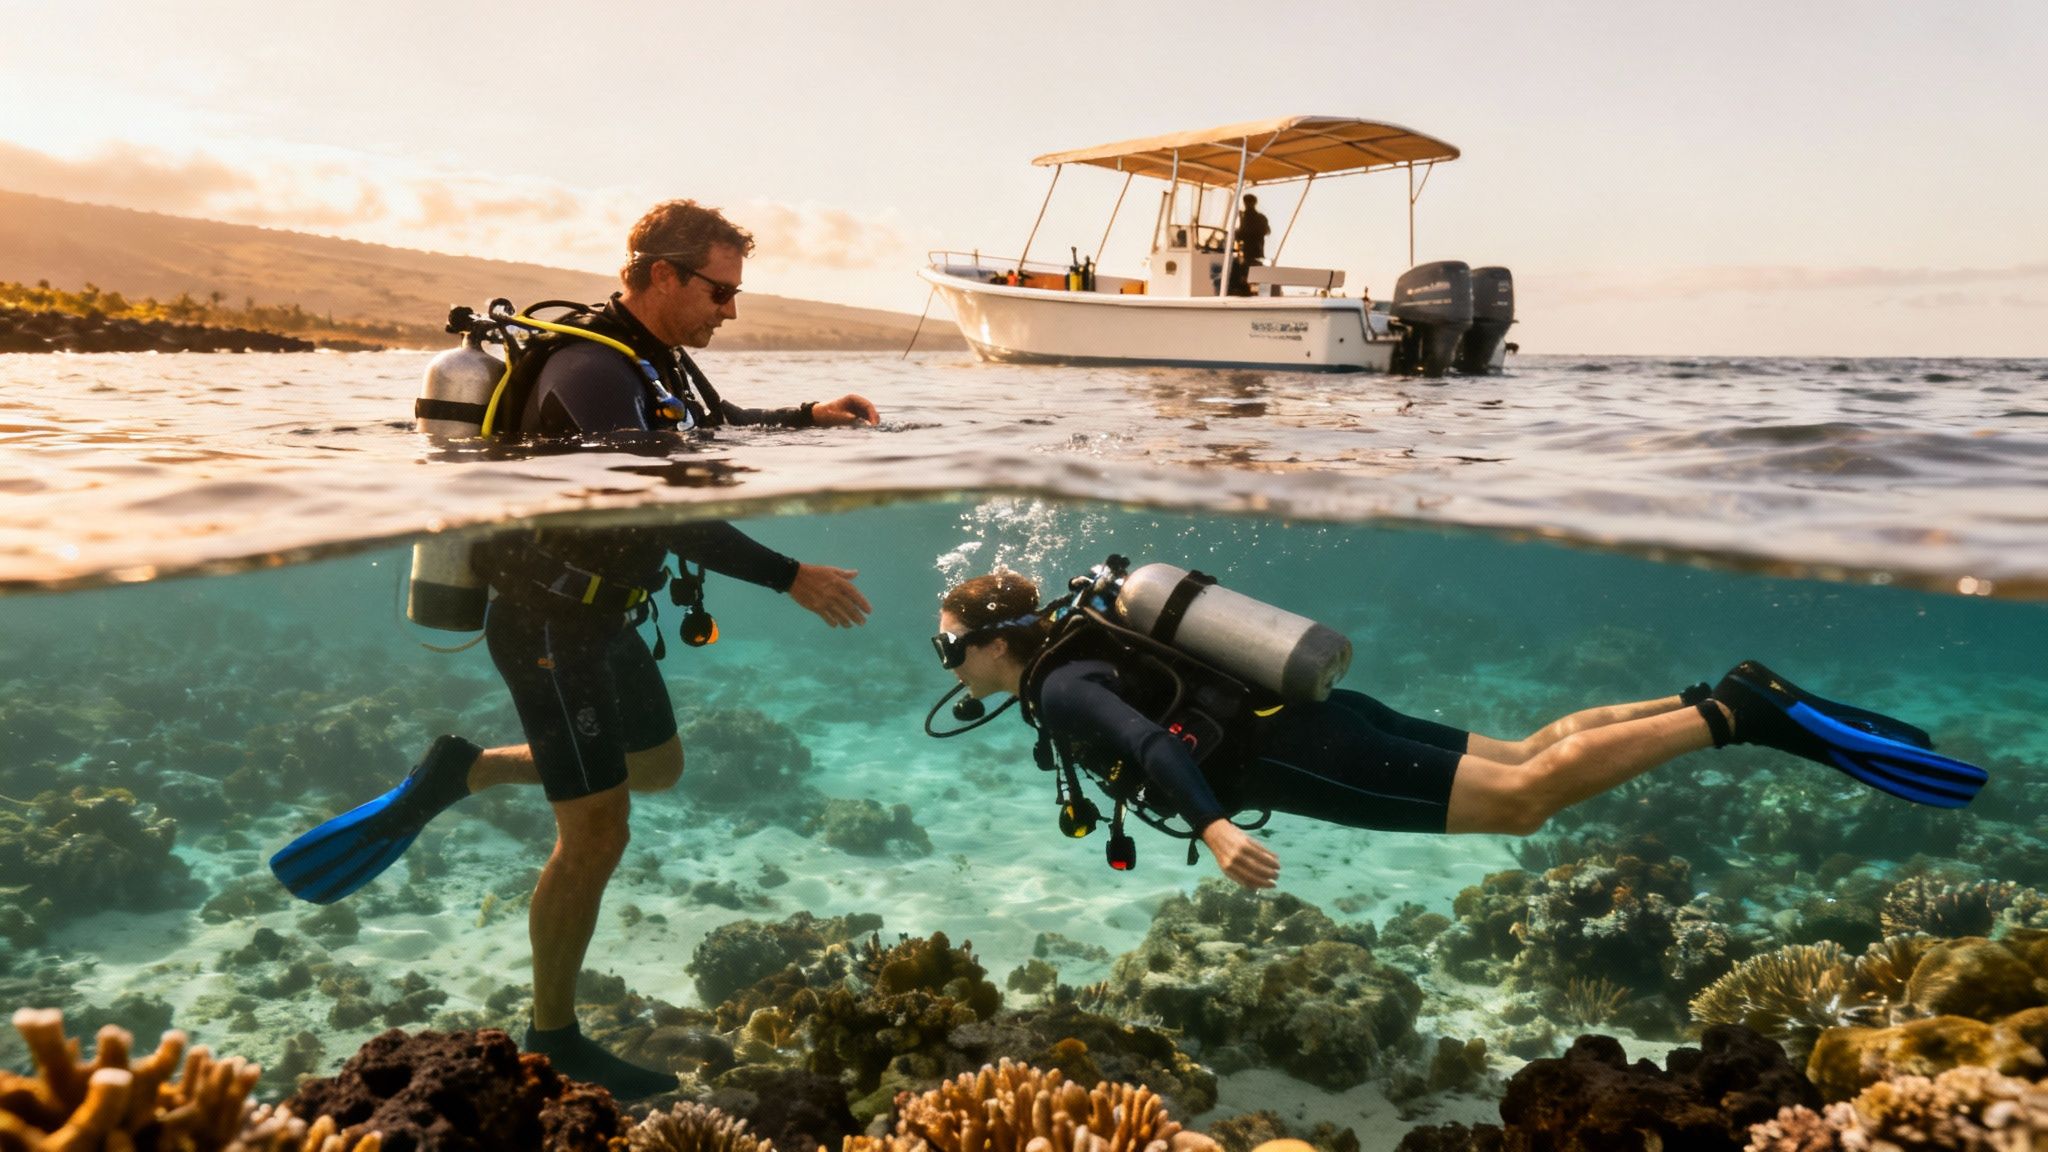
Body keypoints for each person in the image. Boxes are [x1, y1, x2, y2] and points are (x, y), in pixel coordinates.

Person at [271, 200, 877, 1099]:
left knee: (659, 767)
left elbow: (717, 422)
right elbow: (655, 506)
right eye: (720, 290)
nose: (731, 310)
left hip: (605, 618)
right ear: (663, 275)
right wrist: (789, 574)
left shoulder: (654, 360)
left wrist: (807, 416)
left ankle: (462, 772)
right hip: (550, 625)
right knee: (596, 829)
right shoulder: (593, 370)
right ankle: (552, 1035)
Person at [928, 566, 1988, 892]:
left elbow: (1153, 747)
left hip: (1309, 753)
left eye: (947, 649)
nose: (947, 669)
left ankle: (1729, 714)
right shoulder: (1089, 640)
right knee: (1527, 749)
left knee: (1524, 802)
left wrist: (1209, 831)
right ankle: (1710, 692)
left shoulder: (1061, 688)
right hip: (1316, 712)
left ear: (992, 641)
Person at [1229, 194, 1270, 297]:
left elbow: (1243, 234)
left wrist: (1238, 231)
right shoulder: (1260, 217)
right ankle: (1246, 289)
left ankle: (1243, 289)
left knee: (1242, 271)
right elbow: (1267, 231)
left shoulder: (1247, 217)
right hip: (1257, 251)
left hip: (1250, 252)